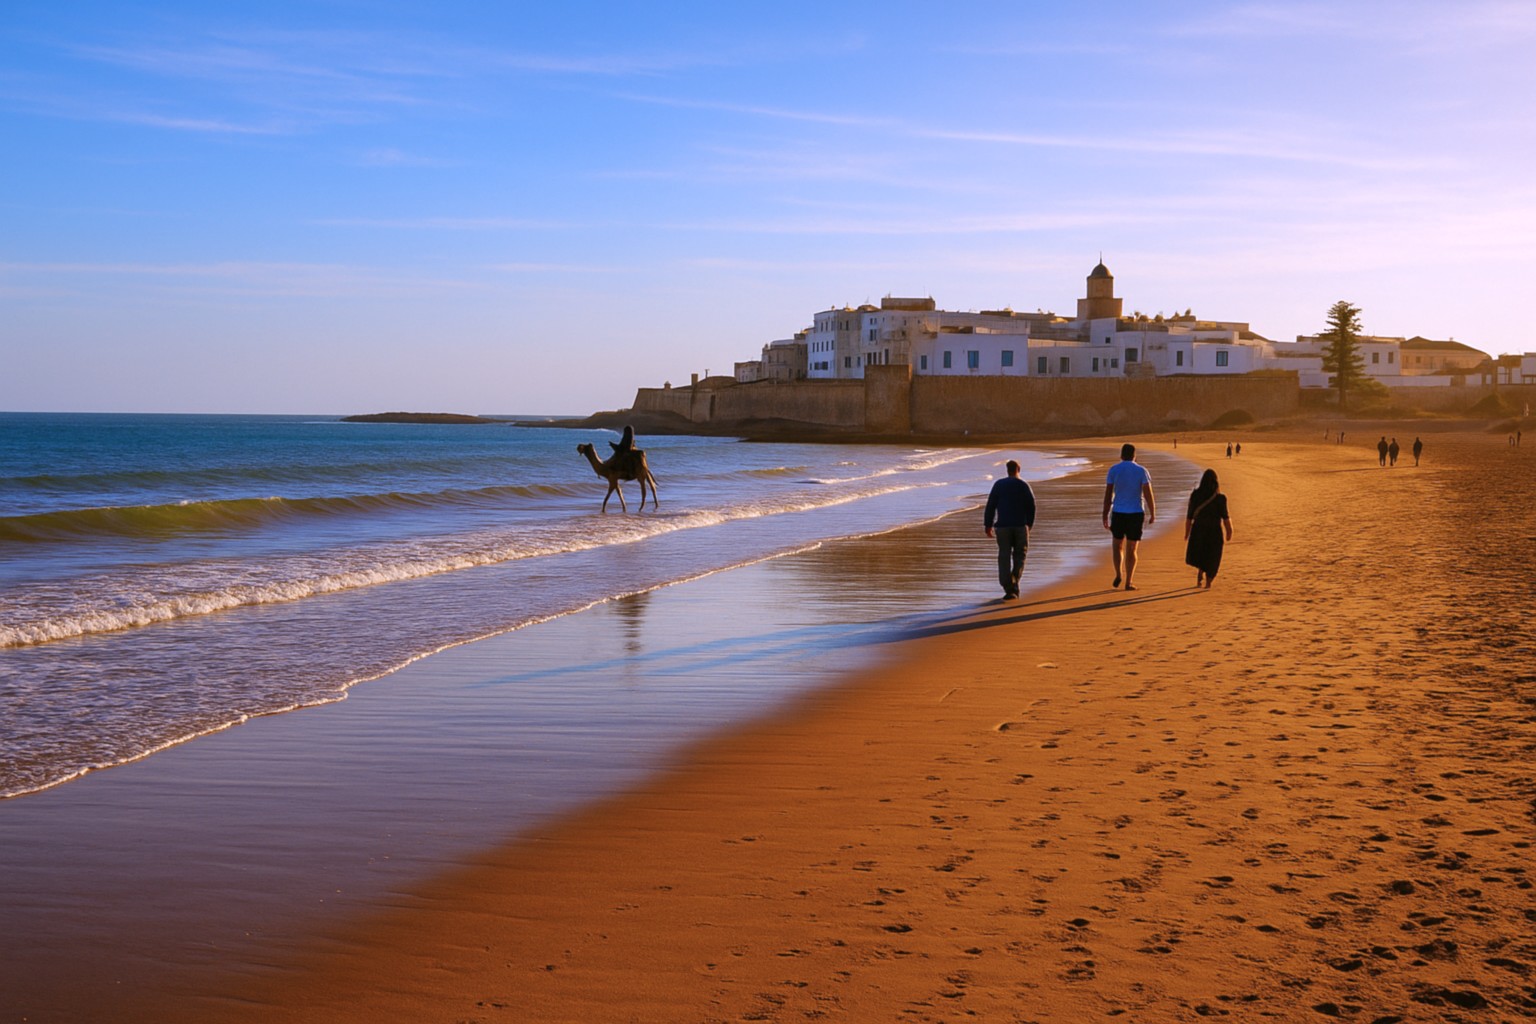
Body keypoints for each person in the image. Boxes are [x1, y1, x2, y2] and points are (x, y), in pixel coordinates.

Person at [1102, 443, 1155, 591]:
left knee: (1117, 545)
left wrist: (1105, 514)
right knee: (1132, 549)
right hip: (1136, 513)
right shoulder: (1141, 471)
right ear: (1134, 455)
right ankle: (1129, 581)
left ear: (1121, 455)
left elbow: (1108, 495)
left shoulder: (1114, 470)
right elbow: (1148, 494)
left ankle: (1119, 573)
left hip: (1118, 512)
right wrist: (1153, 512)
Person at [984, 459, 1036, 600]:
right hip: (1020, 526)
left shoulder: (999, 485)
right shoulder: (1024, 485)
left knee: (1004, 556)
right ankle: (1013, 583)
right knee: (1020, 555)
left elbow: (991, 505)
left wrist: (988, 525)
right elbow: (1031, 506)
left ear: (1007, 470)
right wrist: (1029, 524)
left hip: (1003, 527)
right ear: (1019, 469)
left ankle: (1008, 586)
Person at [1183, 469, 1233, 589]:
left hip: (1198, 530)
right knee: (1214, 557)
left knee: (1201, 553)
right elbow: (1226, 517)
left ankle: (1201, 571)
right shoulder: (1220, 498)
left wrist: (1187, 533)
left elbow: (1189, 516)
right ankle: (1208, 582)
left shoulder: (1195, 495)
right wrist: (1229, 532)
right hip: (1214, 531)